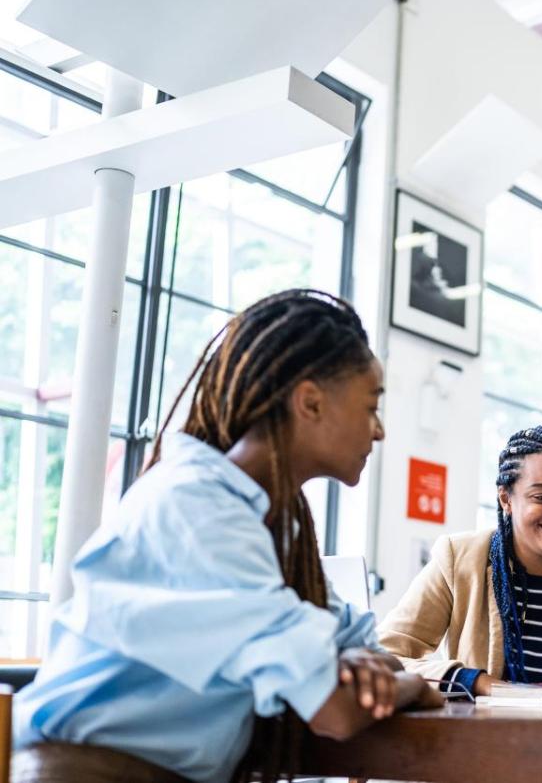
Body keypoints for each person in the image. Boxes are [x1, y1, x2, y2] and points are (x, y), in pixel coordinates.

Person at [13, 289, 440, 783]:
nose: (379, 430)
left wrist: (357, 662)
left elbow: (363, 645)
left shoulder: (273, 531)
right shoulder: (198, 511)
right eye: (371, 407)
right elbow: (335, 711)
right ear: (310, 403)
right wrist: (411, 688)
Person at [378, 425, 542, 695]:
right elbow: (384, 656)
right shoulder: (458, 559)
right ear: (505, 499)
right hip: (485, 734)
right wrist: (472, 680)